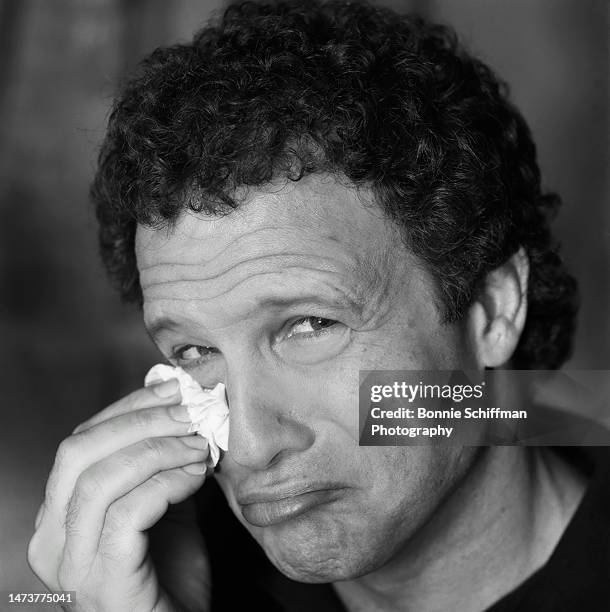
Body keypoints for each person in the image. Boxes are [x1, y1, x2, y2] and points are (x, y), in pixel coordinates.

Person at [27, 1, 609, 610]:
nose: (251, 446)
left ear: (493, 310)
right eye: (195, 351)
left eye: (310, 325)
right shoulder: (151, 575)